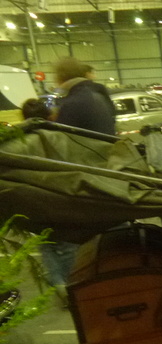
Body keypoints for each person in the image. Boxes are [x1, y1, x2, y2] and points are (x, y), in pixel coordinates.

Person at [39, 57, 118, 298]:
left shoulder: (74, 103)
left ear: (61, 78)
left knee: (60, 237)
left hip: (84, 176)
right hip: (104, 171)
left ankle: (75, 290)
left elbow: (63, 145)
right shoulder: (100, 96)